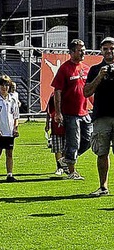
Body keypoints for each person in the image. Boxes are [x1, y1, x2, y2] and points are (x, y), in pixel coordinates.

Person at [51, 39, 92, 181]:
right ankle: (72, 172)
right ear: (72, 52)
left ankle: (67, 159)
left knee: (88, 140)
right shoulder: (64, 68)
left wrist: (94, 104)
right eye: (80, 50)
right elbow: (57, 91)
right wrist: (58, 112)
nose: (83, 52)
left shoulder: (86, 68)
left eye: (84, 49)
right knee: (73, 142)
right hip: (70, 113)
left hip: (84, 112)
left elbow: (89, 90)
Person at [83, 37, 114, 196]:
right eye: (106, 49)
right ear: (101, 51)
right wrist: (100, 76)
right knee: (102, 152)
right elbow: (86, 92)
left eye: (112, 48)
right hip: (101, 115)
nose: (109, 52)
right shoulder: (95, 69)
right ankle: (103, 187)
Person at [0, 75, 19, 182]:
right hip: (0, 132)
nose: (4, 87)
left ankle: (9, 175)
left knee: (9, 153)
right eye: (2, 85)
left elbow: (16, 116)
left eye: (6, 85)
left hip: (9, 132)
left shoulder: (13, 100)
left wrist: (15, 128)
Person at [44, 93, 68, 176]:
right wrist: (47, 124)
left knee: (66, 148)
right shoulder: (53, 96)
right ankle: (59, 167)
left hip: (67, 125)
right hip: (56, 126)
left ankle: (65, 166)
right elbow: (48, 112)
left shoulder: (68, 94)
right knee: (58, 148)